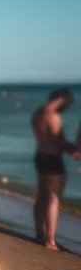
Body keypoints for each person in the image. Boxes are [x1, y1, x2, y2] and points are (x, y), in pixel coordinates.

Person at [31, 88, 81, 250]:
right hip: (53, 159)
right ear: (61, 100)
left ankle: (39, 235)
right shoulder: (53, 117)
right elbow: (58, 141)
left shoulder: (37, 114)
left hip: (40, 156)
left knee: (41, 197)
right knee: (53, 199)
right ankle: (51, 240)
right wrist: (75, 150)